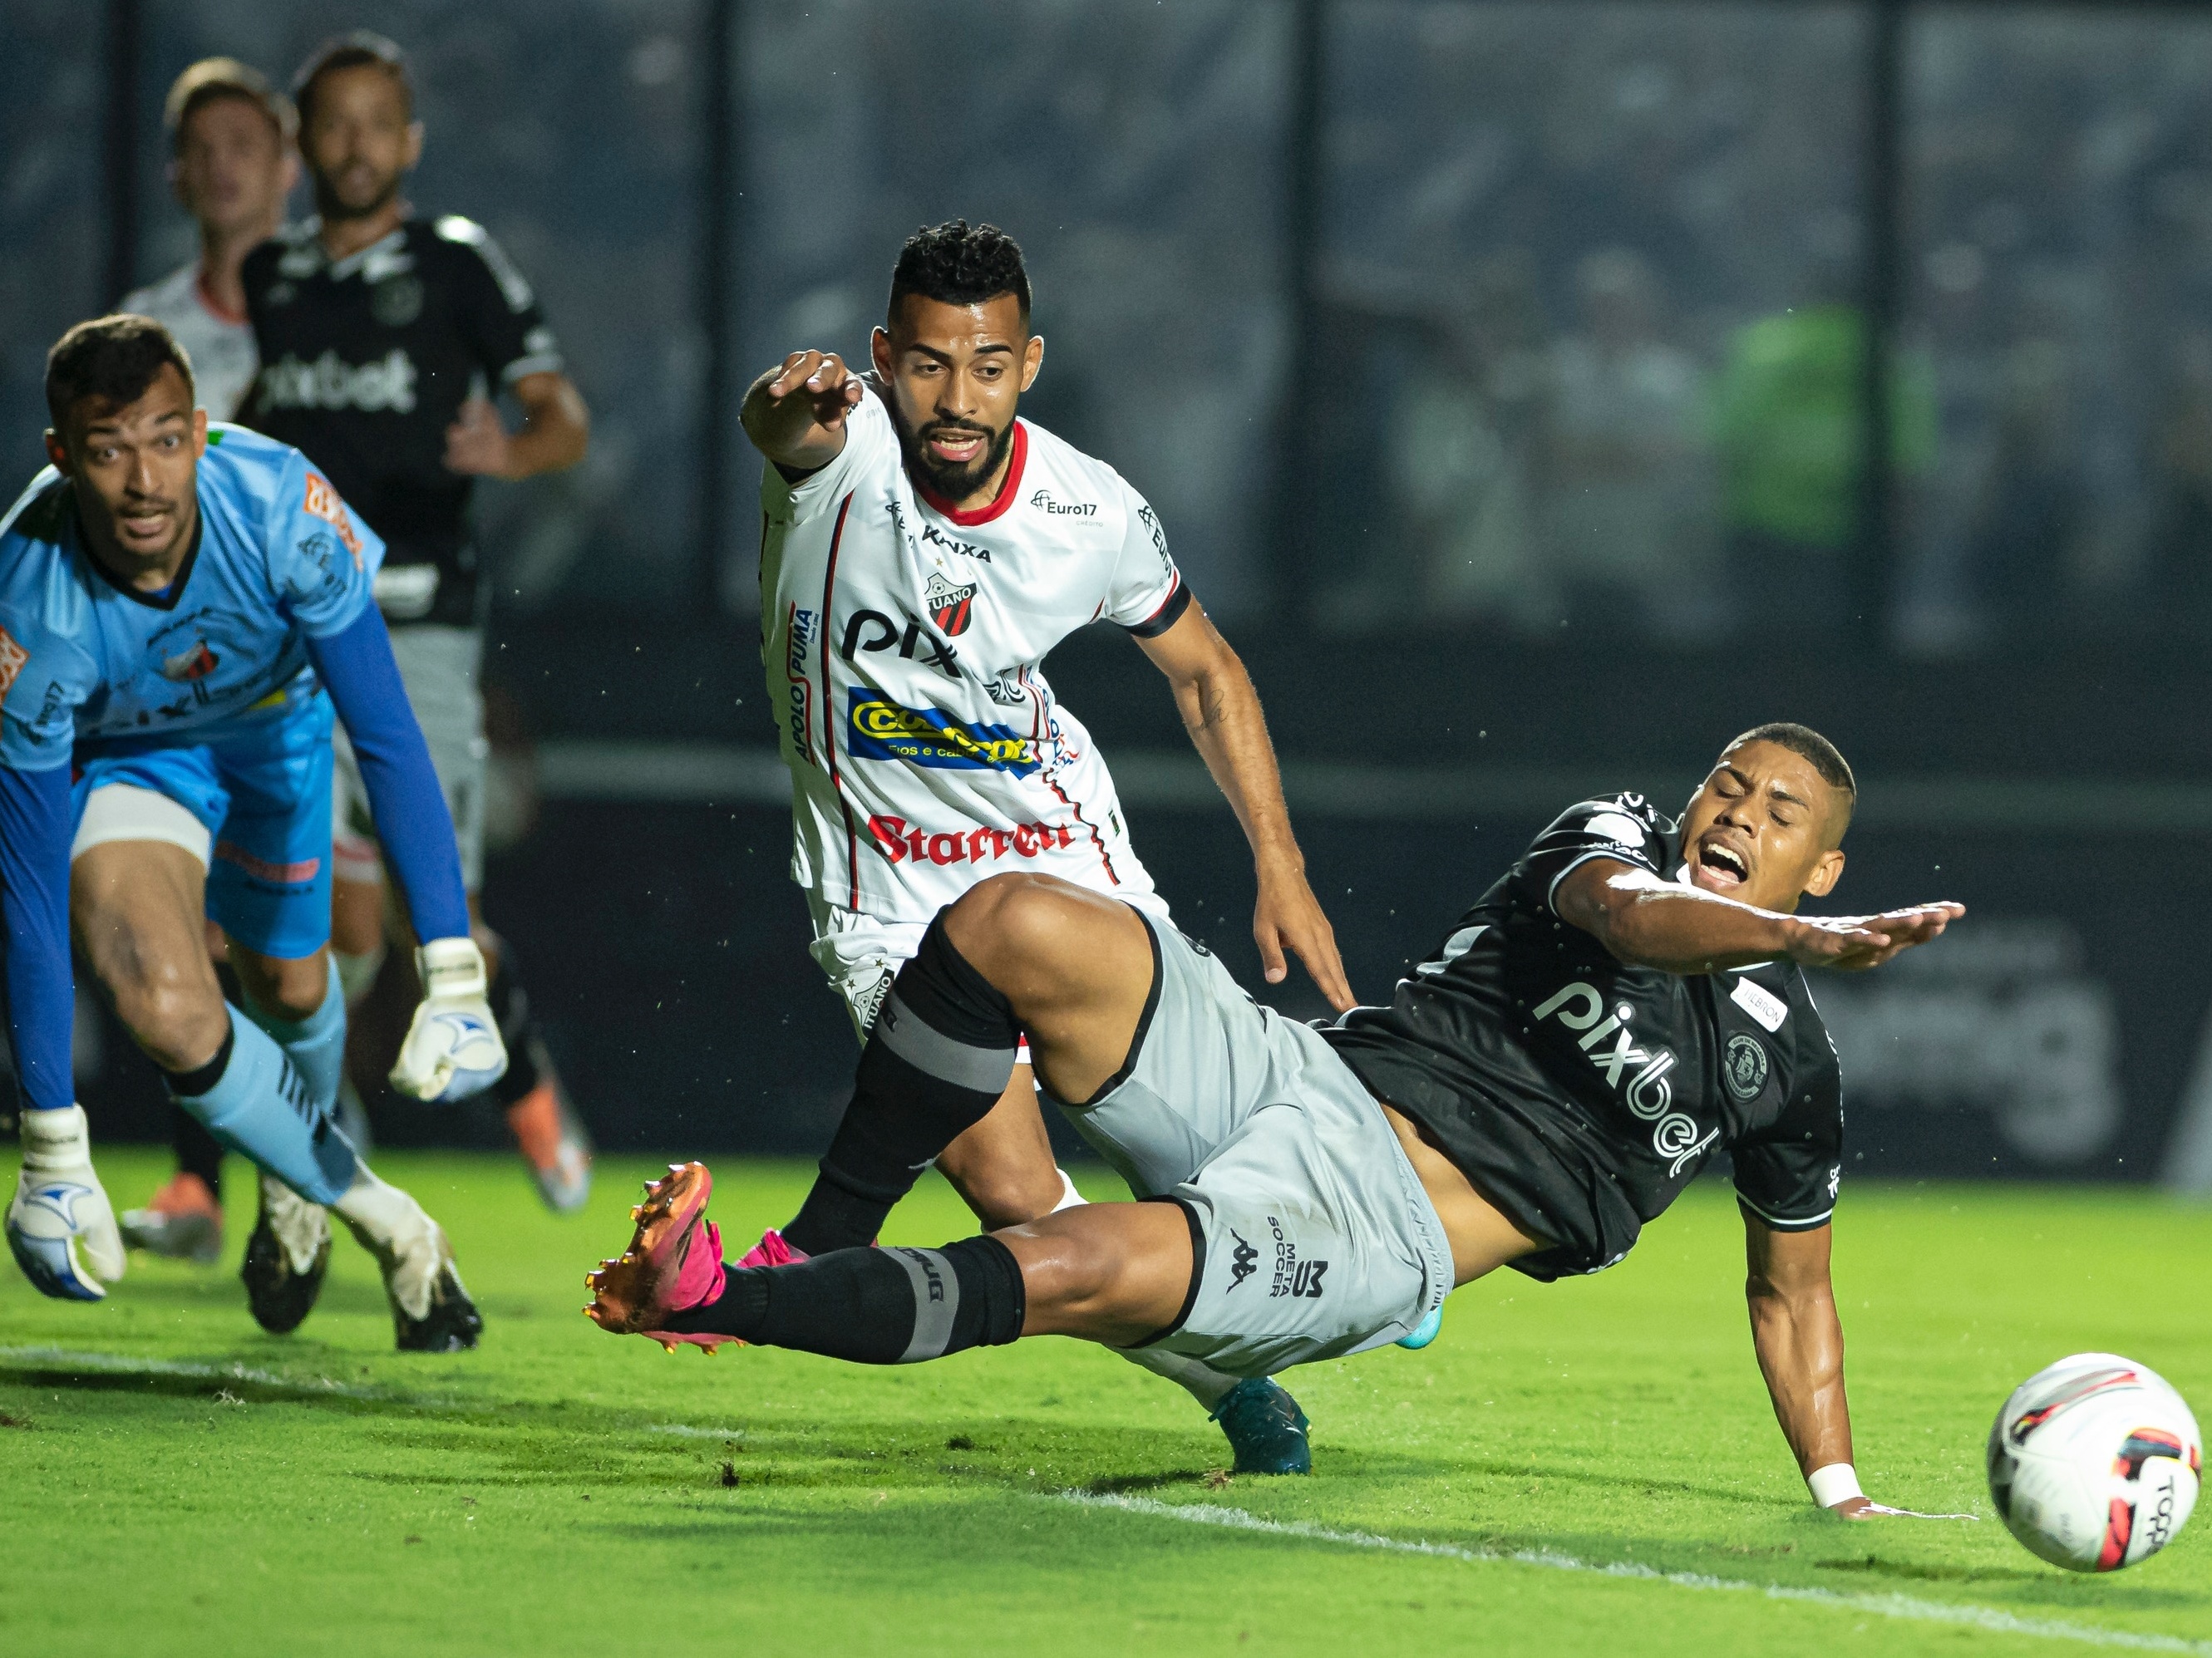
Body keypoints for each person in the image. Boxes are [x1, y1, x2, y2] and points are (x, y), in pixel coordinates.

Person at [587, 725, 1964, 1513]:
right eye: (1731, 779)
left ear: (1826, 860)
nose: (1737, 808)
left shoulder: (1787, 1071)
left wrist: (1840, 1496)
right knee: (1009, 920)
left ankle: (715, 1299)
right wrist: (1796, 930)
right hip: (1298, 1076)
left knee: (1073, 1266)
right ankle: (813, 1241)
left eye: (1781, 812)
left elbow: (1792, 1295)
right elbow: (1628, 921)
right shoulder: (1609, 834)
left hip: (1374, 1230)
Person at [733, 219, 1353, 1473]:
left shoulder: (1093, 506)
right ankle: (1228, 1382)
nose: (956, 400)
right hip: (892, 906)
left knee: (1208, 1150)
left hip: (1067, 861)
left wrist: (1280, 870)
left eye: (988, 366)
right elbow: (775, 426)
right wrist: (778, 398)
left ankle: (1386, 1253)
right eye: (924, 365)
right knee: (1017, 1195)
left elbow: (1209, 671)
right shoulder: (836, 444)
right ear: (878, 359)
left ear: (1030, 364)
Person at [0, 316, 504, 1348]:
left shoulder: (284, 509)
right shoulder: (22, 604)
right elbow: (28, 883)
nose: (146, 480)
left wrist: (450, 967)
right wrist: (52, 1140)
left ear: (201, 428)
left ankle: (294, 1192)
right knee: (166, 1001)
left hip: (276, 747)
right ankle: (393, 1225)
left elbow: (390, 737)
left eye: (167, 439)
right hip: (133, 770)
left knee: (293, 988)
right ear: (62, 458)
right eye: (108, 449)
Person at [239, 32, 594, 1216]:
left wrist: (511, 444)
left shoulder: (455, 266)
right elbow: (252, 420)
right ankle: (322, 1144)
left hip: (419, 622)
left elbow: (563, 418)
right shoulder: (272, 281)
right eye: (332, 123)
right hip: (297, 629)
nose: (355, 144)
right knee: (324, 917)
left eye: (375, 122)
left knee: (440, 920)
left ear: (411, 140)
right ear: (305, 142)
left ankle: (532, 1088)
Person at [113, 57, 301, 1265]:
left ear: (284, 168)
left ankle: (306, 1157)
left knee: (313, 938)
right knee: (166, 902)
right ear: (178, 171)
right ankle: (202, 1177)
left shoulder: (334, 313)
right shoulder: (146, 326)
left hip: (313, 654)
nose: (226, 164)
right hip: (177, 664)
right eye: (205, 144)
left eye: (249, 142)